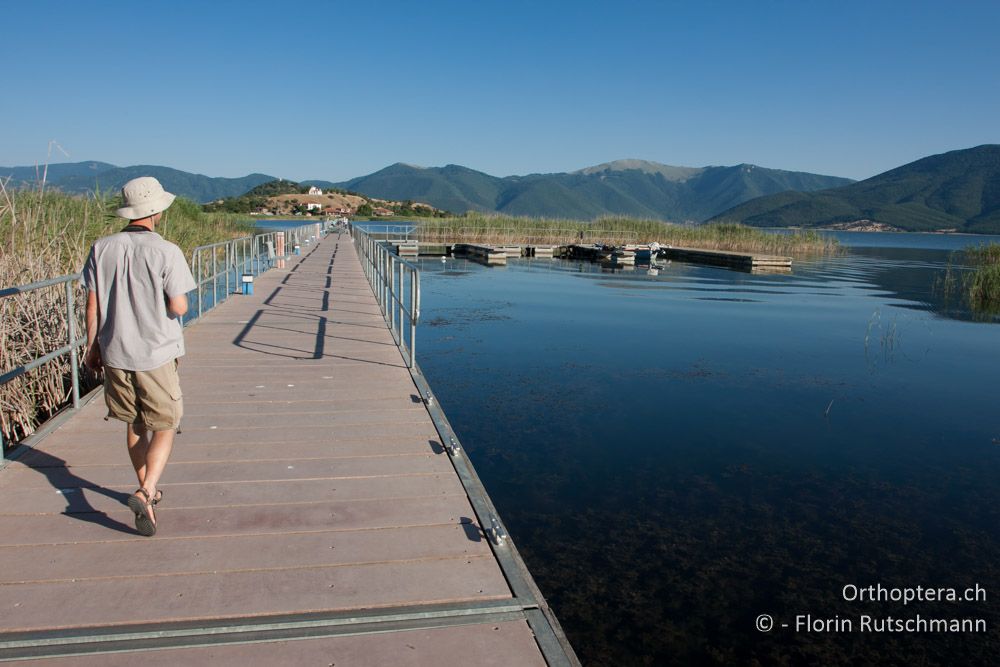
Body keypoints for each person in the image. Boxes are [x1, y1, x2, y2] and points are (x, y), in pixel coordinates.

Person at [82, 176, 196, 537]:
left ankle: (149, 489)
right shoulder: (167, 251)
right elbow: (178, 305)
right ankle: (146, 492)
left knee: (134, 424)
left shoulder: (102, 248)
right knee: (166, 422)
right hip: (155, 352)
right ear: (157, 210)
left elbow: (92, 303)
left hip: (115, 350)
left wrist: (91, 346)